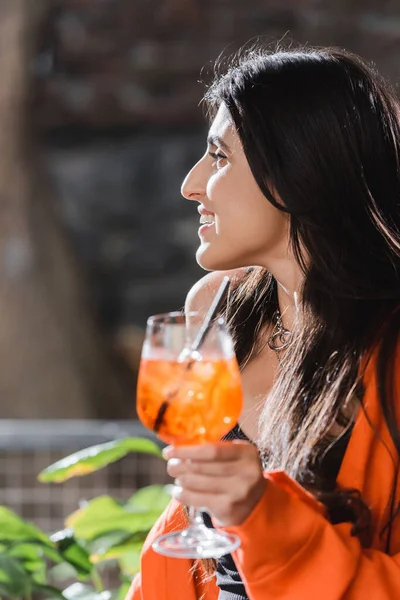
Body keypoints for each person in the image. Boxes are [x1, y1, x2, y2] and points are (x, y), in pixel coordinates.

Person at [127, 46, 400, 599]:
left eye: (219, 157)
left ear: (299, 169)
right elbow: (190, 533)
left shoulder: (390, 348)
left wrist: (264, 516)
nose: (190, 185)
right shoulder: (213, 310)